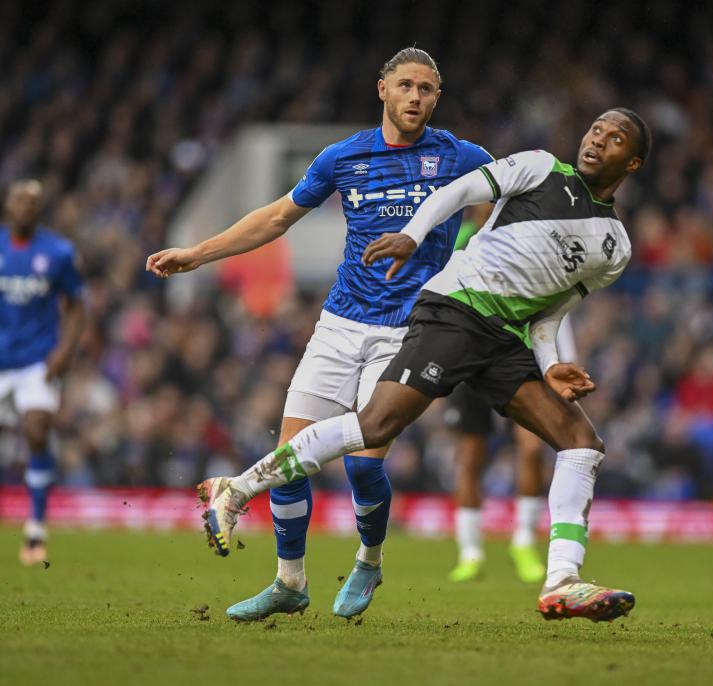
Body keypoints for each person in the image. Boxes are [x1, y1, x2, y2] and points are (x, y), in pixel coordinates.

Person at [199, 107, 652, 622]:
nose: (598, 141)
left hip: (504, 339)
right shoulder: (540, 167)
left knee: (582, 443)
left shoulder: (615, 248)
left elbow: (549, 314)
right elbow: (454, 194)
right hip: (457, 309)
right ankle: (237, 490)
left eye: (615, 139)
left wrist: (550, 364)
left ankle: (562, 581)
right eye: (596, 129)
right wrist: (413, 235)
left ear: (632, 162)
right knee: (373, 427)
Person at [146, 47, 492, 620]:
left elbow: (518, 197)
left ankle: (370, 561)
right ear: (382, 89)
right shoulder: (344, 157)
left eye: (427, 89)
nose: (415, 97)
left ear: (437, 98)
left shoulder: (461, 157)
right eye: (405, 85)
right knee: (291, 457)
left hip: (408, 330)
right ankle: (290, 581)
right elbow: (277, 217)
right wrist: (198, 254)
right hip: (339, 323)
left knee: (362, 463)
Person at [444, 316, 576, 584]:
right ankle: (470, 554)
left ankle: (524, 542)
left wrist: (566, 361)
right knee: (469, 458)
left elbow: (560, 317)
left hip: (522, 363)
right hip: (473, 360)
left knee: (532, 449)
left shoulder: (544, 278)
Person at [0, 180, 86, 565]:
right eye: (20, 200)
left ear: (40, 210)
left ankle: (36, 527)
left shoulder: (58, 252)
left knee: (36, 430)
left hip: (37, 360)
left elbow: (77, 306)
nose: (26, 207)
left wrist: (64, 352)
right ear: (8, 205)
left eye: (34, 202)